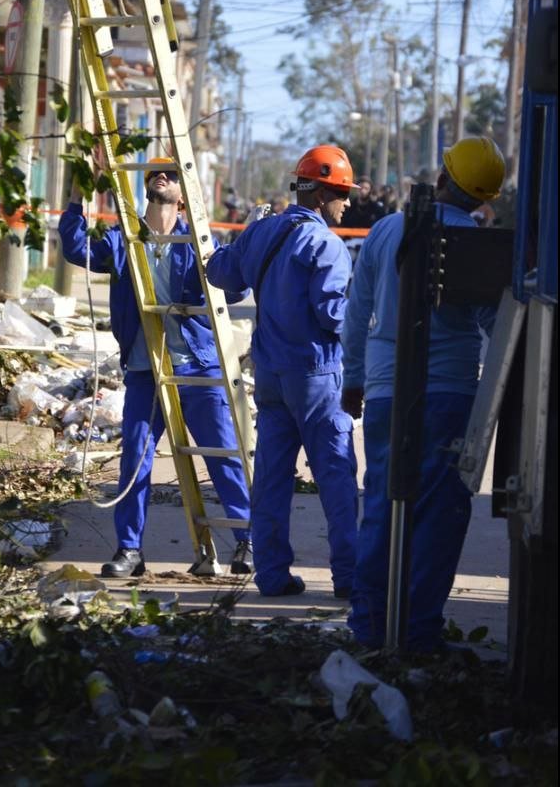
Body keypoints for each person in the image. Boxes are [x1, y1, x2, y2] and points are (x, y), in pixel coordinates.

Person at [341, 136, 506, 651]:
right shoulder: (475, 243)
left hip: (388, 392)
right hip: (450, 395)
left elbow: (357, 308)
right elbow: (492, 321)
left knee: (385, 505)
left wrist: (354, 377)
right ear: (483, 200)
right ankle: (416, 632)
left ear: (440, 177)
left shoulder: (386, 229)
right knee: (438, 515)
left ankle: (369, 627)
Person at [59, 158, 253, 578]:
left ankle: (247, 541)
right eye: (153, 173)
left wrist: (226, 259)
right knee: (135, 459)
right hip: (146, 371)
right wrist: (80, 191)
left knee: (222, 456)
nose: (160, 176)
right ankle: (130, 551)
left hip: (196, 369)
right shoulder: (125, 239)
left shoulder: (198, 239)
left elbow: (234, 288)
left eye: (170, 173)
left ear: (184, 196)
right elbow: (76, 248)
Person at [206, 146, 360, 598]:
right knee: (335, 477)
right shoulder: (326, 244)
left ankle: (272, 576)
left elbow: (220, 275)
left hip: (270, 376)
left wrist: (247, 234)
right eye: (342, 194)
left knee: (272, 478)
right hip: (315, 376)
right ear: (321, 194)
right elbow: (334, 315)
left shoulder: (262, 232)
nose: (347, 203)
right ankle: (349, 579)